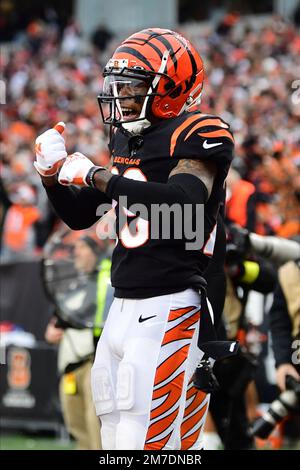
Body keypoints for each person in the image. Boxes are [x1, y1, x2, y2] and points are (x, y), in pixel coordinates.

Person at [34, 28, 236, 450]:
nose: (121, 95)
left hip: (172, 302)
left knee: (144, 443)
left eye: (133, 86)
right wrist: (52, 179)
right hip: (122, 302)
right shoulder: (128, 137)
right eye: (119, 85)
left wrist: (95, 175)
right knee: (114, 435)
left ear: (172, 87)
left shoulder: (200, 131)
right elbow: (79, 215)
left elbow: (184, 203)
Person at [45, 235, 104, 450]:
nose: (76, 253)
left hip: (91, 363)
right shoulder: (71, 285)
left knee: (95, 427)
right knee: (77, 428)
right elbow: (56, 321)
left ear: (95, 253)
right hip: (69, 368)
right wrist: (52, 330)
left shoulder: (104, 282)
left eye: (82, 248)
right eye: (75, 248)